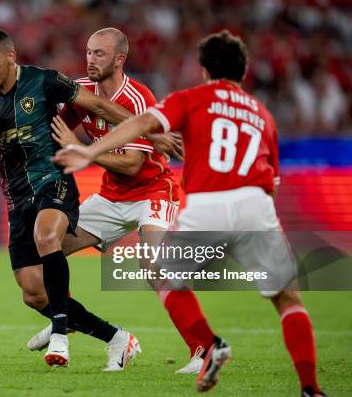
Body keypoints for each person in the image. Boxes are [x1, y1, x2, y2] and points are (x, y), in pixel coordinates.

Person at [54, 30, 325, 396]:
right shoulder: (263, 115)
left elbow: (142, 125)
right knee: (289, 300)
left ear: (203, 70)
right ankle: (310, 388)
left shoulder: (190, 98)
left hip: (195, 200)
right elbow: (273, 182)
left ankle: (206, 346)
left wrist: (86, 152)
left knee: (161, 273)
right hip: (254, 203)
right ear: (244, 73)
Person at [0, 28, 203, 374]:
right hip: (112, 197)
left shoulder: (138, 97)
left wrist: (82, 150)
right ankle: (64, 319)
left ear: (119, 60)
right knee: (40, 264)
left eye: (100, 54)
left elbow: (131, 164)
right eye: (88, 52)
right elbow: (45, 131)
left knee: (154, 265)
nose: (90, 60)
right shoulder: (81, 94)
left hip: (152, 191)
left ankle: (201, 349)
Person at [0, 29, 141, 370]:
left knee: (47, 237)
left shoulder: (44, 81)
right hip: (16, 196)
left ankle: (59, 335)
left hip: (54, 180)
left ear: (10, 58)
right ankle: (117, 338)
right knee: (33, 292)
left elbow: (98, 104)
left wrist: (152, 129)